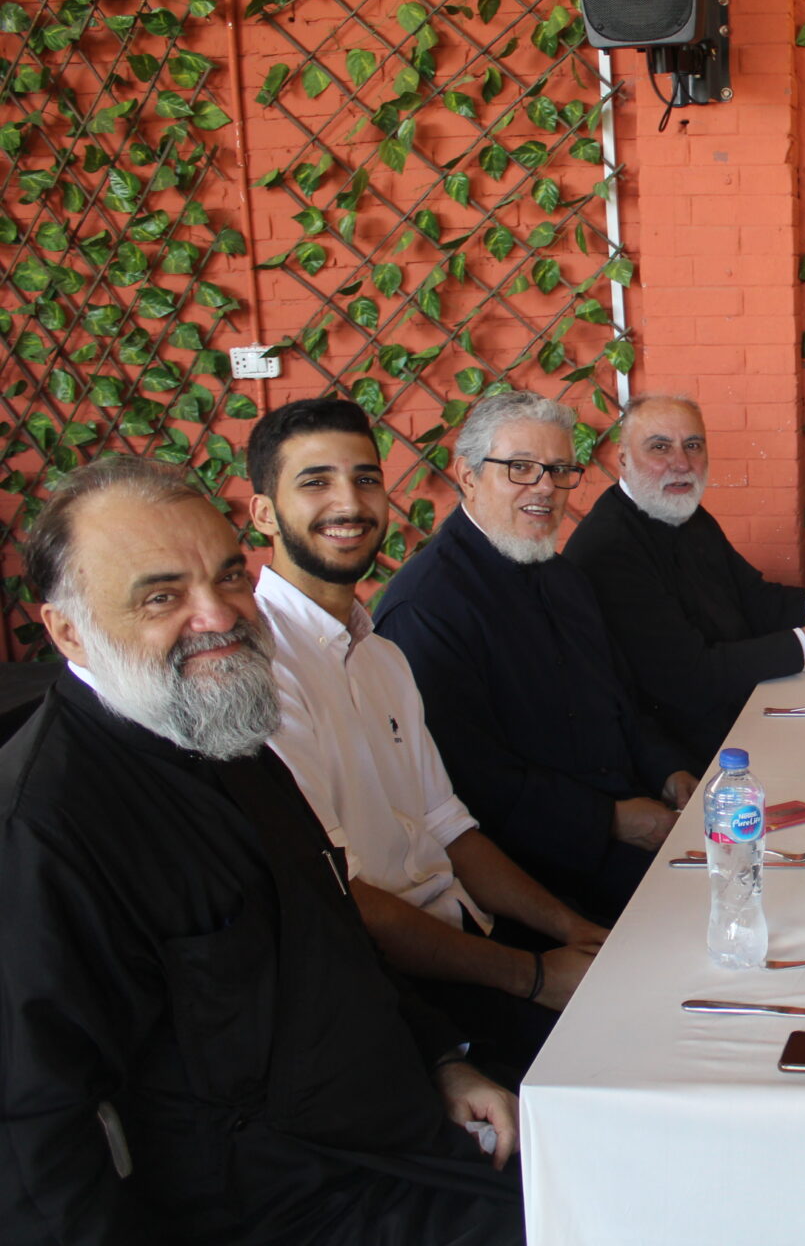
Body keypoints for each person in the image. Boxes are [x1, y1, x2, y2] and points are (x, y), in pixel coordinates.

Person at [1, 457, 522, 1245]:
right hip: (279, 1210)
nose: (217, 615)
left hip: (401, 1134)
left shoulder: (222, 733)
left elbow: (333, 935)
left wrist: (441, 1059)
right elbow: (36, 1137)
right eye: (162, 596)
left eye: (228, 578)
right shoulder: (40, 828)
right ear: (69, 631)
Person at [248, 398, 610, 1083]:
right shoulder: (262, 671)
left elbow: (451, 829)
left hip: (469, 933)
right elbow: (340, 897)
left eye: (365, 478)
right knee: (620, 1060)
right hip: (393, 992)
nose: (348, 503)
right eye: (316, 482)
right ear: (264, 513)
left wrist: (573, 930)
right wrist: (533, 976)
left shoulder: (379, 654)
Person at [374, 391, 697, 922]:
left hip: (633, 816)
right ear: (469, 476)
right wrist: (612, 820)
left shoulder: (564, 577)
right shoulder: (427, 606)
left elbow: (621, 700)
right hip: (539, 872)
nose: (545, 487)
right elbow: (469, 784)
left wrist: (669, 770)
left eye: (559, 470)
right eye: (521, 468)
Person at [565, 394, 805, 766]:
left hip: (744, 705)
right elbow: (689, 678)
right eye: (660, 447)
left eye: (693, 445)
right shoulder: (610, 547)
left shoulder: (685, 513)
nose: (681, 463)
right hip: (681, 753)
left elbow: (751, 596)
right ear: (623, 459)